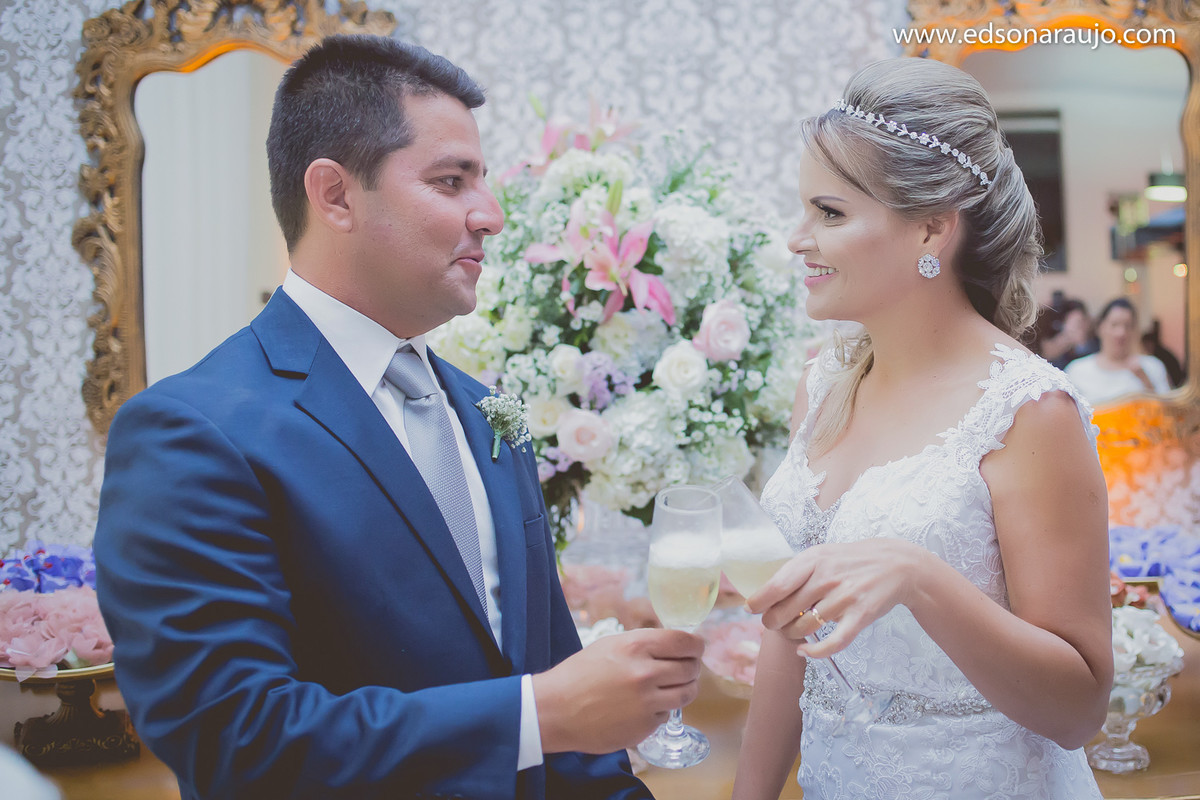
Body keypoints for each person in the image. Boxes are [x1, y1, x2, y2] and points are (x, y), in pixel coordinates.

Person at [94, 35, 704, 800]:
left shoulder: (489, 412)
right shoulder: (191, 433)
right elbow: (234, 741)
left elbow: (565, 691)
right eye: (452, 181)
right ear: (336, 195)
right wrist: (534, 718)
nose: (491, 215)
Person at [732, 57, 1112, 800]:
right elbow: (792, 634)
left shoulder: (1030, 412)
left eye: (830, 213)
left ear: (932, 230)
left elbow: (1081, 709)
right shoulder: (824, 386)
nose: (796, 239)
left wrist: (920, 576)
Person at [1065, 297, 1172, 405]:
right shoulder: (1077, 370)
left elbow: (1169, 413)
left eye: (1128, 326)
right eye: (1114, 325)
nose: (1121, 333)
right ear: (1100, 327)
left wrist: (1146, 382)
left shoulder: (1152, 366)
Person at [1039, 298, 1098, 370]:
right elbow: (1046, 357)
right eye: (1076, 323)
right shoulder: (1055, 338)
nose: (1080, 327)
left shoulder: (1094, 344)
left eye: (1081, 322)